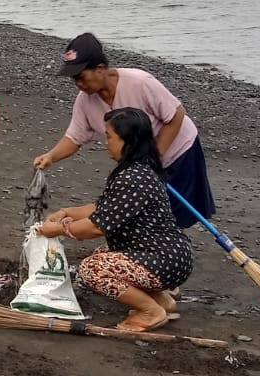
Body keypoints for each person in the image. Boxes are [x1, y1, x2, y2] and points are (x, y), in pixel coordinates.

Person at [33, 32, 215, 229]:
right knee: (142, 209)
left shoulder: (139, 82)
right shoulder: (85, 101)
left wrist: (155, 157)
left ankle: (172, 248)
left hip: (178, 149)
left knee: (175, 211)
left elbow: (176, 115)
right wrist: (51, 157)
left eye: (82, 77)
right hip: (139, 163)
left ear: (100, 69)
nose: (78, 84)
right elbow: (75, 137)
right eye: (74, 79)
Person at [36, 107, 192, 332]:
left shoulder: (133, 178)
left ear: (127, 140)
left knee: (92, 269)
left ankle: (150, 311)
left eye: (109, 137)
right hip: (170, 255)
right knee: (103, 255)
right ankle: (162, 301)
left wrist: (59, 229)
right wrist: (66, 212)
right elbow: (101, 209)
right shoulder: (139, 170)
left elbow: (95, 227)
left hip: (164, 260)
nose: (106, 142)